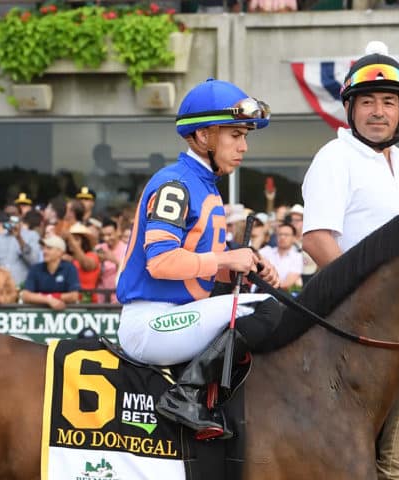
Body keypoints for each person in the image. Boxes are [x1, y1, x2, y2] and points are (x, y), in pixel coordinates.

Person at [301, 41, 399, 480]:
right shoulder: (333, 158)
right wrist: (364, 299)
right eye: (368, 102)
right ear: (350, 109)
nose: (378, 111)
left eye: (388, 102)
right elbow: (317, 238)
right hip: (350, 309)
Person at [116, 77, 281, 438]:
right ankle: (185, 394)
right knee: (267, 310)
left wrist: (248, 266)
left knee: (265, 302)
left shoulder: (204, 186)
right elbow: (160, 263)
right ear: (204, 136)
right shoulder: (174, 183)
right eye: (235, 135)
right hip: (150, 324)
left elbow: (198, 272)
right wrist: (225, 260)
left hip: (176, 316)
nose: (244, 147)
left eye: (245, 136)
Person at [21, 235, 82, 309]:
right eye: (43, 248)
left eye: (49, 248)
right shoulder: (35, 269)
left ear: (60, 252)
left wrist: (45, 297)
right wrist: (49, 300)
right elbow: (26, 295)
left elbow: (74, 296)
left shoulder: (70, 269)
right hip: (39, 313)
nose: (44, 251)